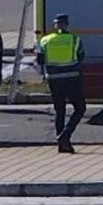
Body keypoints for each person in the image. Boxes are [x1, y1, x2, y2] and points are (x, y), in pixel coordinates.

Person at [36, 13, 85, 154]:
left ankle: (62, 146)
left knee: (60, 111)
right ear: (67, 24)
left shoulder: (45, 40)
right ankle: (65, 136)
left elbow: (40, 60)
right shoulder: (75, 39)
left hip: (54, 79)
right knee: (80, 109)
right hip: (72, 78)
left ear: (55, 25)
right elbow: (81, 56)